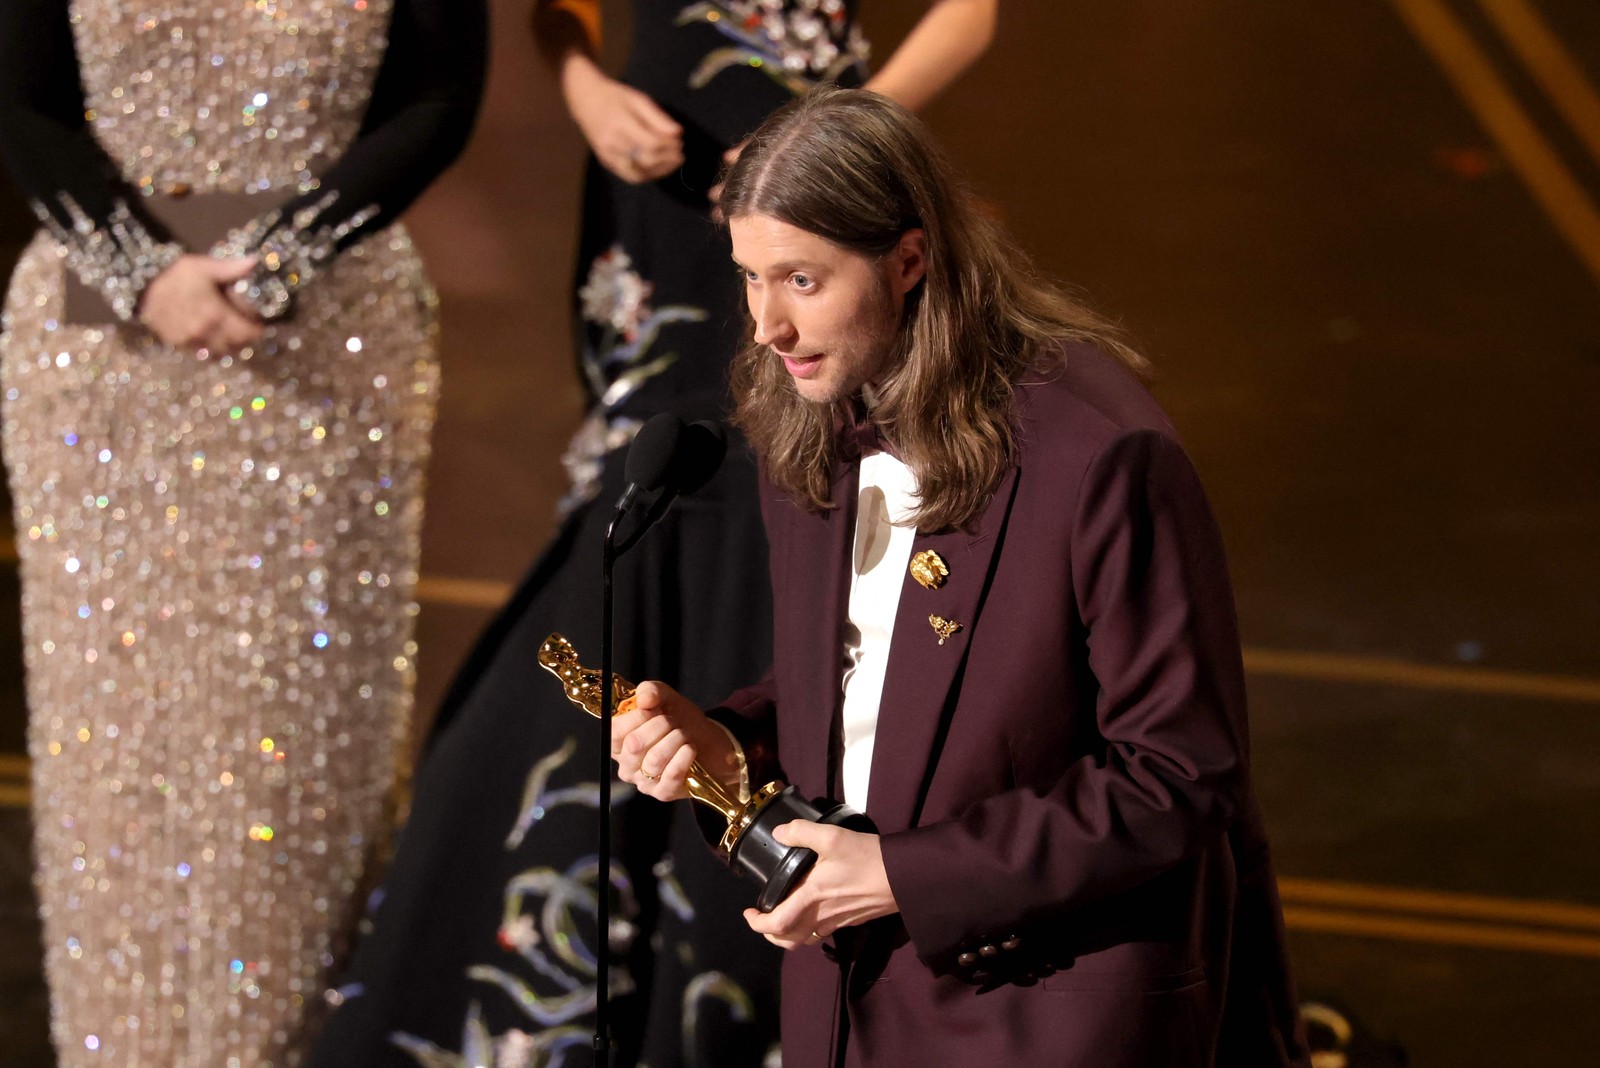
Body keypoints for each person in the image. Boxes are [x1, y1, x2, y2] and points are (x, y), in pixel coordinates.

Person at [309, 3, 999, 1067]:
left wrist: (830, 149)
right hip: (658, 175)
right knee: (658, 487)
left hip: (811, 155)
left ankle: (733, 947)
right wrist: (580, 85)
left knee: (788, 480)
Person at [611, 87, 1313, 1067]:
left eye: (802, 280)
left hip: (1050, 1012)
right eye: (749, 278)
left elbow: (1179, 776)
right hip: (852, 1008)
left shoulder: (1099, 456)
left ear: (909, 261)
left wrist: (903, 873)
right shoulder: (808, 414)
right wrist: (728, 745)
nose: (767, 324)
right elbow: (873, 680)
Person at [0, 2, 486, 1064]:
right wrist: (144, 272)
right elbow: (22, 101)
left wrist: (282, 261)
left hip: (327, 343)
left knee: (293, 742)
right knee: (110, 749)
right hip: (99, 348)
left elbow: (439, 100)